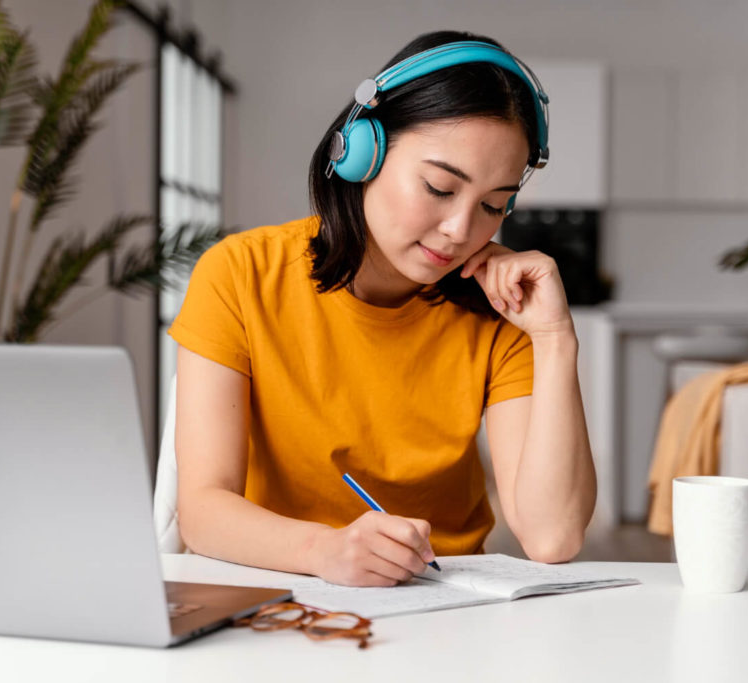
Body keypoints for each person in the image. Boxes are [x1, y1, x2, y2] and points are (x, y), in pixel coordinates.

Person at [169, 30, 596, 588]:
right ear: (362, 151)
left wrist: (556, 338)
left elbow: (552, 536)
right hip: (283, 586)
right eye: (440, 188)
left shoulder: (505, 309)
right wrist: (326, 551)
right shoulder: (241, 274)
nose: (461, 230)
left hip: (446, 605)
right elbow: (202, 511)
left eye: (494, 205)